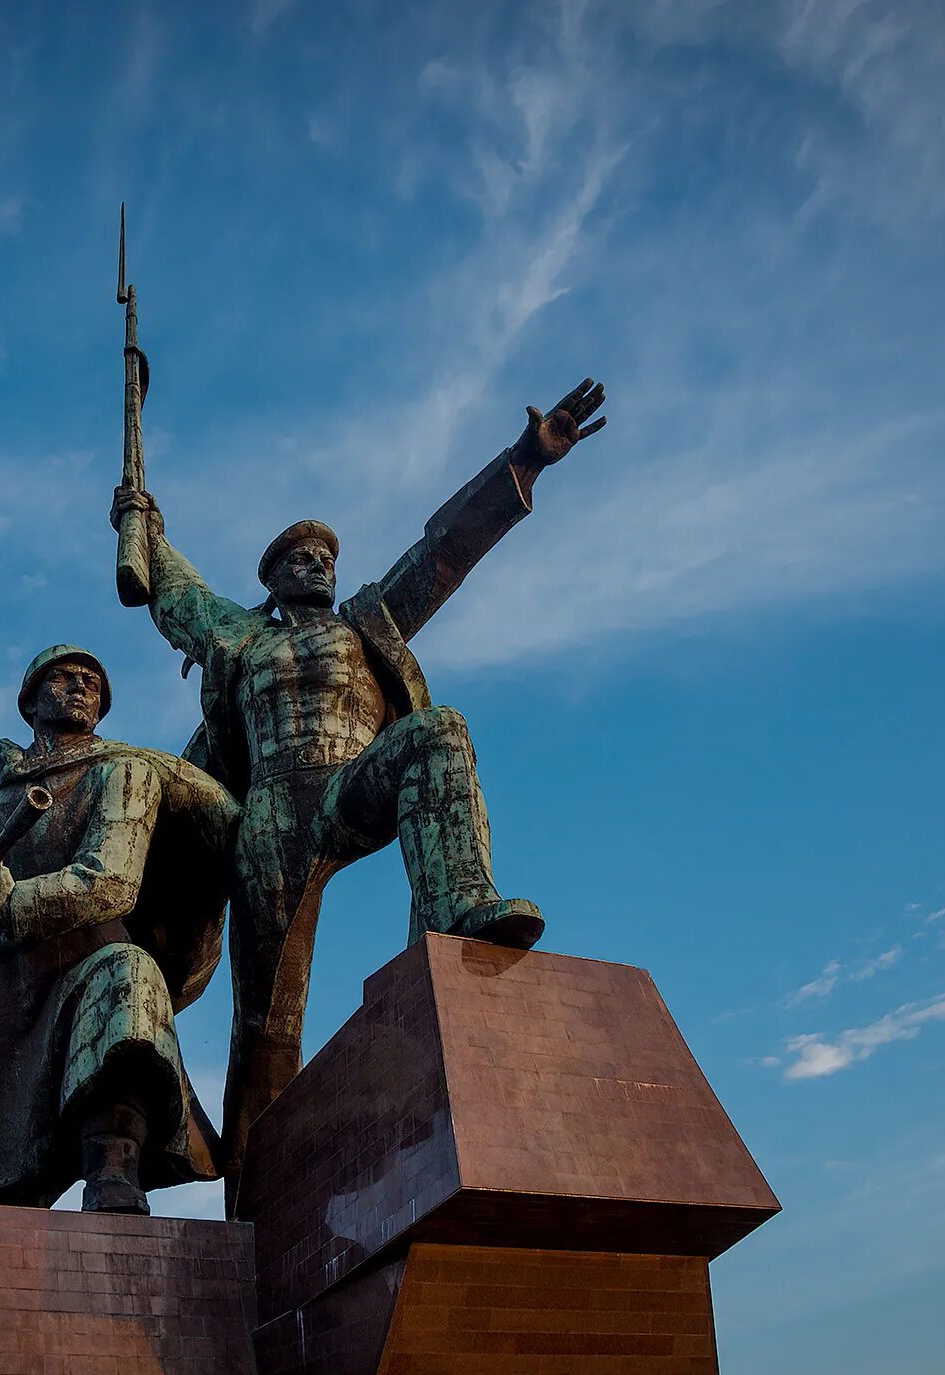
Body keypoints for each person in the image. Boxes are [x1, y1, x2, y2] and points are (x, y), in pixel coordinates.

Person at [110, 378, 608, 1212]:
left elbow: (442, 551)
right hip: (268, 813)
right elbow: (171, 589)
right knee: (265, 1029)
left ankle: (459, 907)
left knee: (437, 732)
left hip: (349, 784)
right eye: (301, 559)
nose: (319, 565)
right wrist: (140, 517)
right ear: (271, 580)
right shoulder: (237, 635)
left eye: (327, 558)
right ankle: (254, 1208)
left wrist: (523, 463)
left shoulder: (370, 617)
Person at [0, 645, 237, 1230]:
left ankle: (113, 1167)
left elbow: (111, 880)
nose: (79, 687)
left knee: (129, 984)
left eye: (91, 681)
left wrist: (11, 900)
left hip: (91, 953)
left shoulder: (125, 770)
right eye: (63, 678)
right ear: (31, 700)